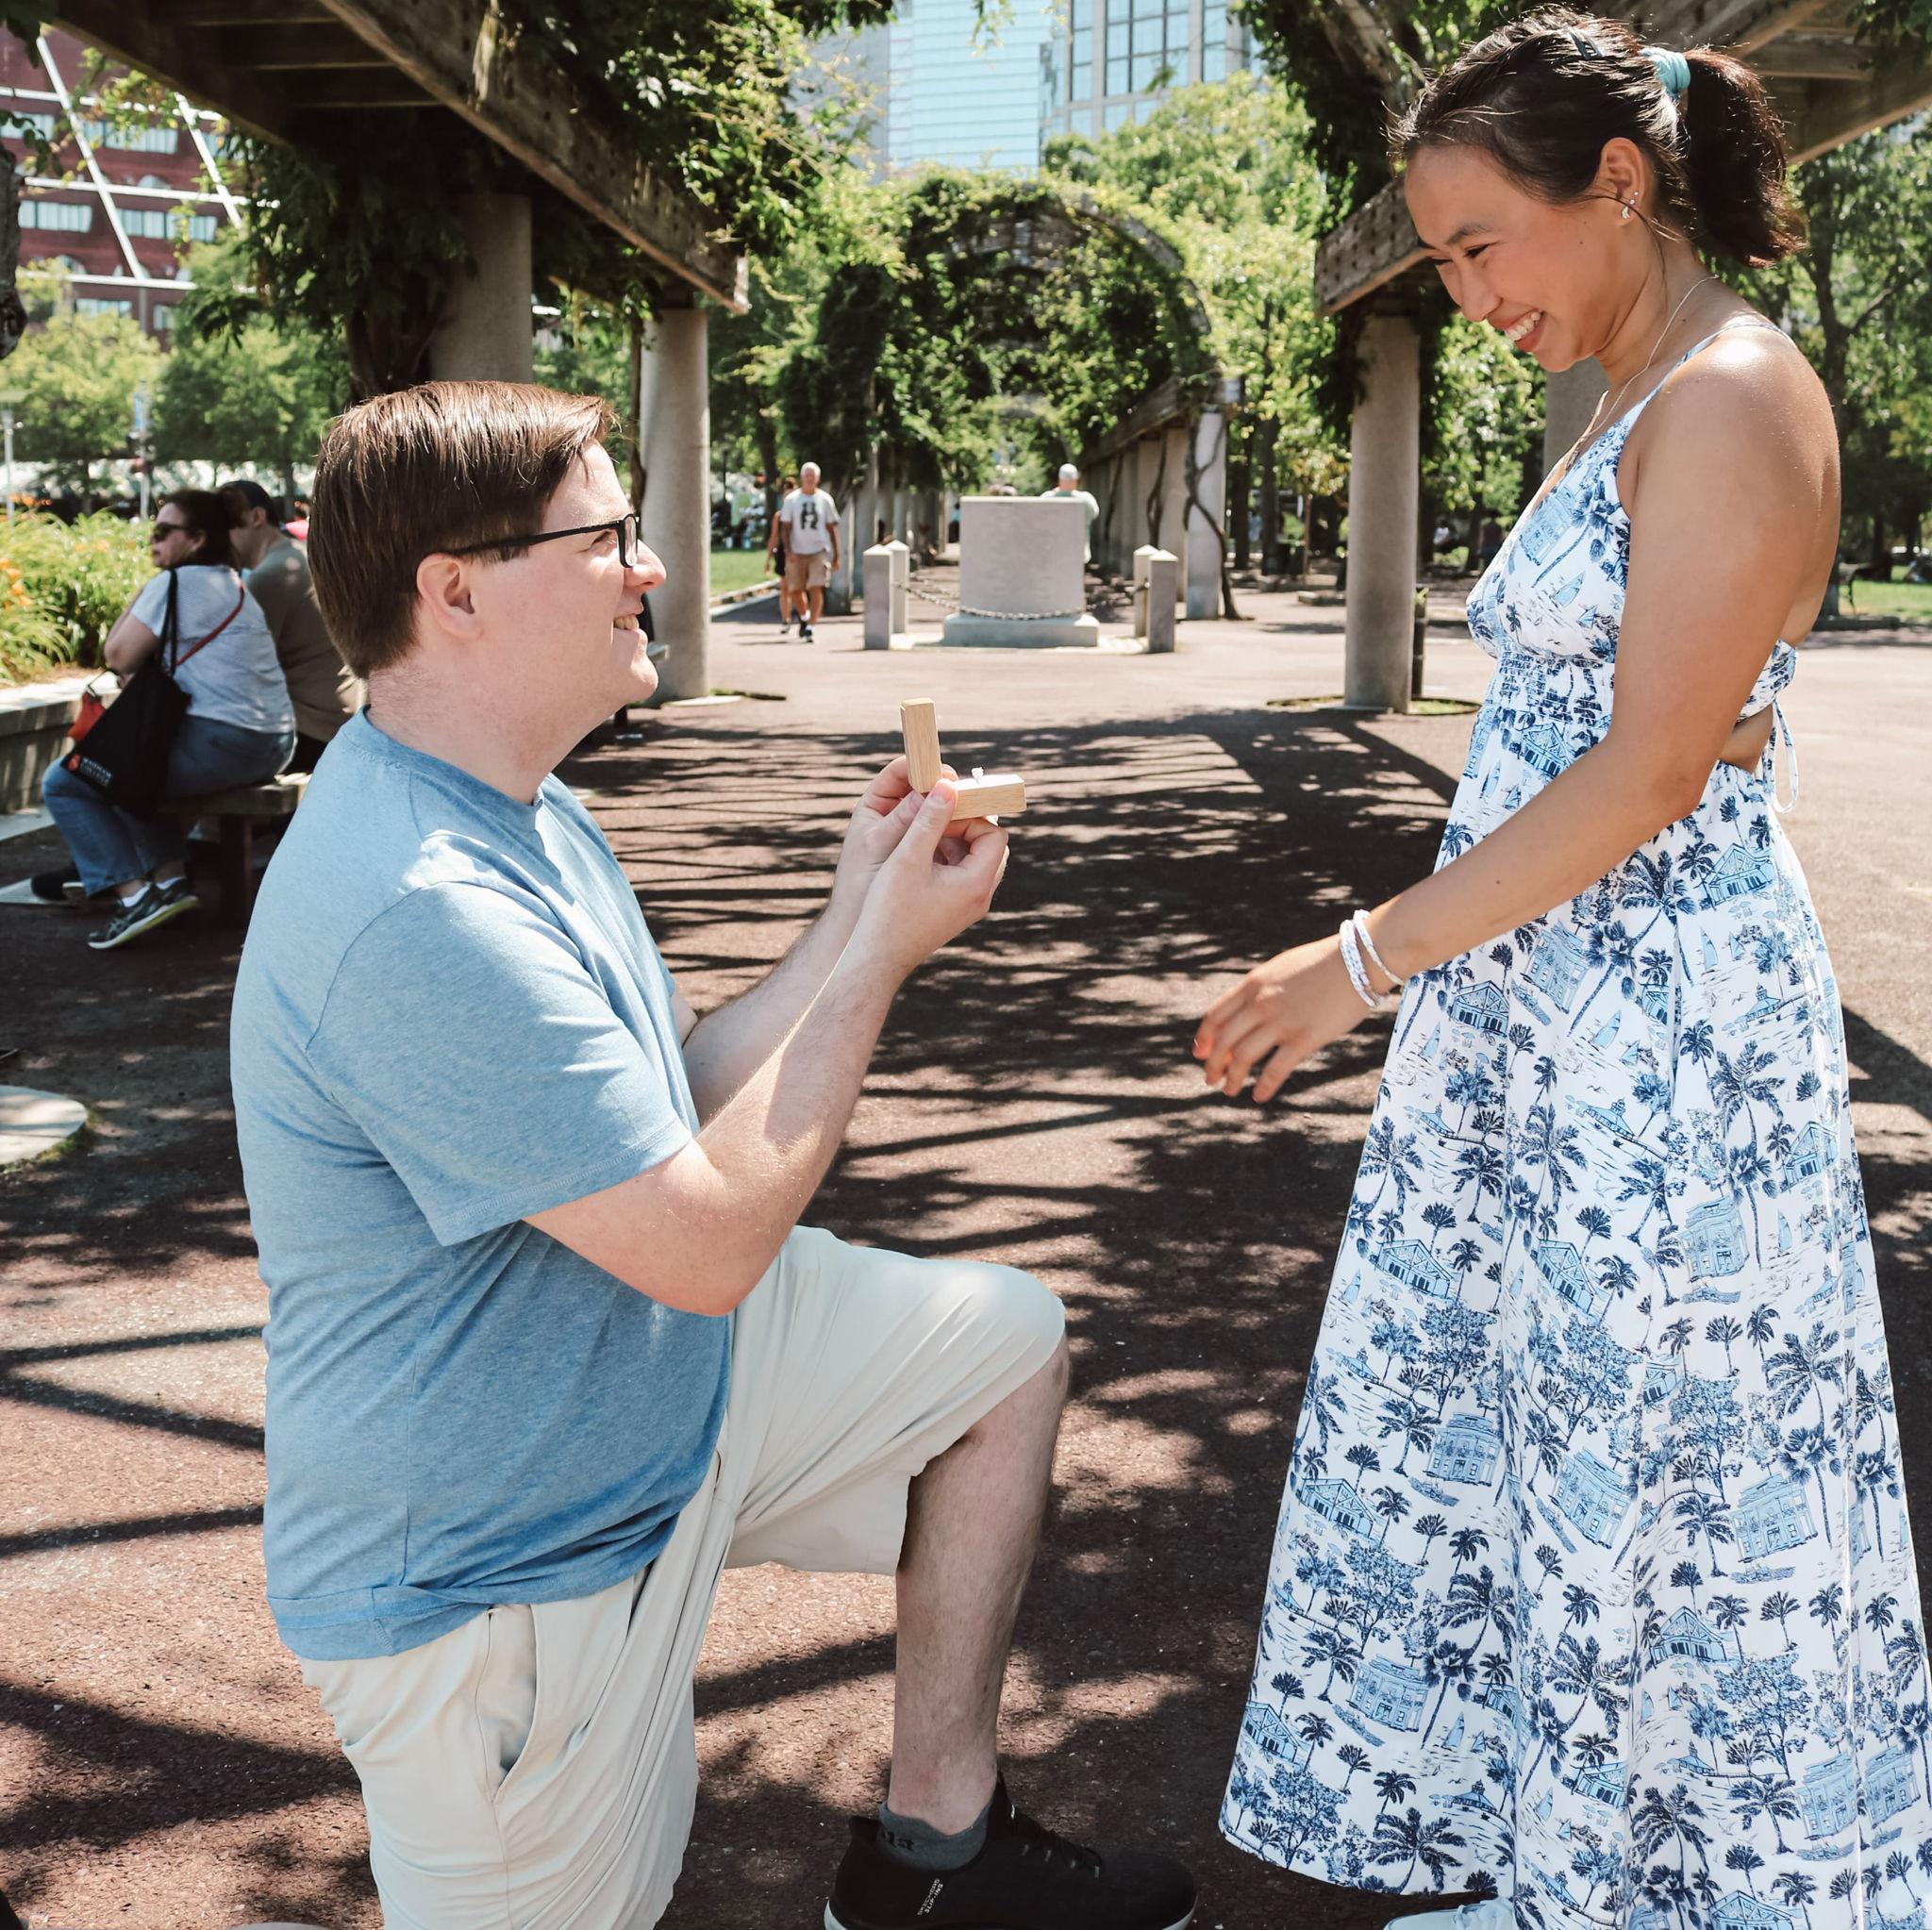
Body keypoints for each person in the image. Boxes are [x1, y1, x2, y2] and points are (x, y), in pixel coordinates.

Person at [229, 380, 1195, 1930]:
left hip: (636, 1399)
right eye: (606, 535)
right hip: (501, 1584)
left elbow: (664, 1100)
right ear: (455, 592)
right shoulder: (421, 906)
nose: (652, 565)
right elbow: (703, 1240)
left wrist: (847, 908)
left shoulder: (513, 806)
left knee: (998, 1355)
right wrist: (877, 957)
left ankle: (932, 1858)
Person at [1200, 15, 1929, 1929]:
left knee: (1657, 1452)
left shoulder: (1728, 397)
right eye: (1442, 260)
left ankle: (1662, 1885)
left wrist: (1353, 963)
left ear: (1616, 183)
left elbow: (1650, 764)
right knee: (1559, 1439)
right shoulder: (1639, 391)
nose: (1466, 293)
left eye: (1477, 244)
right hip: (1558, 1015)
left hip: (1657, 1028)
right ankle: (1576, 1865)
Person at [42, 488, 293, 950]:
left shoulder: (177, 586)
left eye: (163, 532)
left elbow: (117, 655)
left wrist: (153, 584)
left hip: (227, 743)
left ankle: (134, 895)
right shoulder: (229, 581)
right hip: (273, 741)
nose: (152, 541)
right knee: (132, 763)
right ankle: (169, 881)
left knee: (68, 780)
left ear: (197, 539)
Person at [222, 479, 360, 774]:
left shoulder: (269, 576)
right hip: (345, 716)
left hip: (310, 727)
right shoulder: (301, 555)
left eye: (226, 526)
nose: (218, 539)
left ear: (256, 517)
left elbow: (238, 670)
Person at [775, 459, 840, 641]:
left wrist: (836, 554)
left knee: (816, 587)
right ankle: (804, 617)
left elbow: (831, 527)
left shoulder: (825, 500)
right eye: (807, 475)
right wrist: (788, 550)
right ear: (802, 477)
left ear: (818, 478)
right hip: (796, 550)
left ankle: (811, 626)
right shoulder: (792, 500)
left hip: (819, 549)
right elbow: (785, 527)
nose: (810, 479)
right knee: (795, 590)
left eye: (813, 475)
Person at [1040, 462, 1100, 563]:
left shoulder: (1047, 498)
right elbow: (1094, 513)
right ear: (1076, 480)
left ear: (1059, 480)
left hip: (1051, 552)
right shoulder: (1086, 499)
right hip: (1078, 552)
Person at [765, 470, 798, 636]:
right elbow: (773, 537)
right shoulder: (779, 516)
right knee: (785, 587)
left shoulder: (800, 516)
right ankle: (786, 619)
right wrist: (767, 560)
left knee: (797, 588)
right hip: (783, 554)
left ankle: (802, 617)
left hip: (800, 552)